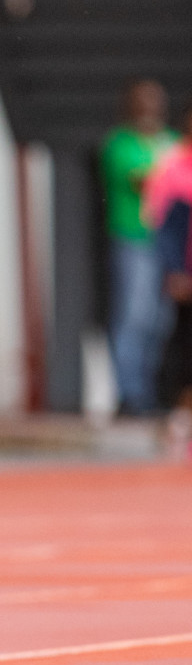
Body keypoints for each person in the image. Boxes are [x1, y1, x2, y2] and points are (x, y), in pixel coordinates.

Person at [100, 80, 178, 416]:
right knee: (135, 314)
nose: (148, 108)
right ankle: (128, 394)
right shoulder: (120, 144)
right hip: (134, 239)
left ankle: (149, 392)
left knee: (161, 320)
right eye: (141, 101)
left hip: (169, 242)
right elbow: (145, 180)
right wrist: (174, 173)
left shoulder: (172, 143)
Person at [144, 103, 192, 451]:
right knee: (182, 339)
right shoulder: (174, 167)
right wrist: (175, 270)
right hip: (186, 273)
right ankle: (177, 410)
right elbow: (166, 228)